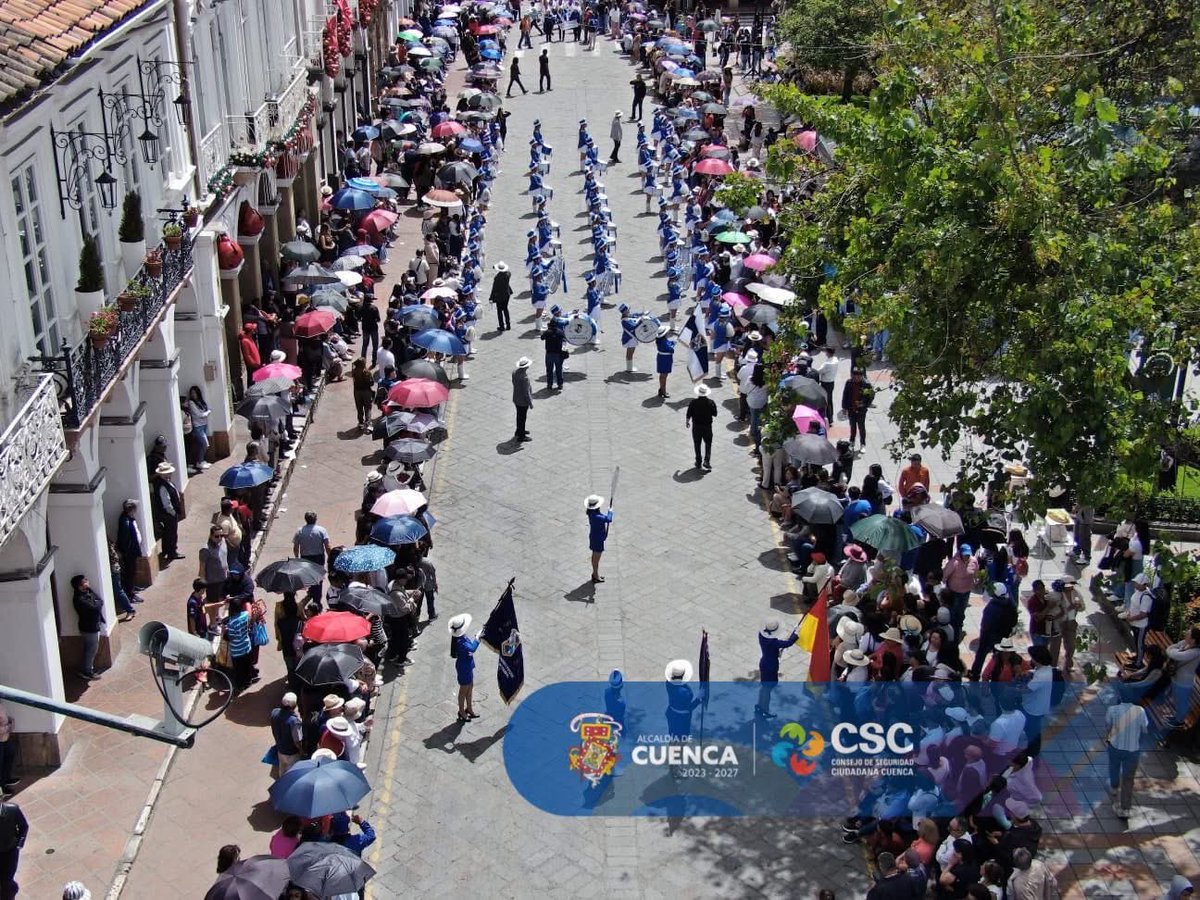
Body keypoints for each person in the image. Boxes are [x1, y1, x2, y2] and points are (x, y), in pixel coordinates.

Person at [1105, 684, 1149, 818]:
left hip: (1115, 746)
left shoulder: (1112, 710)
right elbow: (1145, 729)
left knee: (1114, 766)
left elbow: (1108, 727)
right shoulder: (1140, 711)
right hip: (1133, 750)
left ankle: (1113, 787)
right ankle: (1125, 808)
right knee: (1129, 779)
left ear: (1120, 696)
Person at [756, 620, 798, 719]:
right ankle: (765, 709)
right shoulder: (773, 642)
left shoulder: (762, 636)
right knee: (768, 689)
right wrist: (795, 634)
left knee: (764, 687)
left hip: (764, 663)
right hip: (771, 667)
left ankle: (759, 705)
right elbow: (788, 643)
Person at [71, 574, 105, 681]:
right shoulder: (80, 599)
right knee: (91, 650)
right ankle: (87, 671)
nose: (87, 581)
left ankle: (87, 668)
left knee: (90, 649)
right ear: (80, 586)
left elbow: (100, 601)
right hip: (89, 628)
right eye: (84, 581)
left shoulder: (88, 592)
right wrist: (97, 603)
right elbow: (95, 608)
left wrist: (97, 602)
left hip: (93, 626)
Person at [1166, 627, 1200, 727]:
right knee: (1176, 699)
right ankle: (1176, 716)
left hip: (1184, 682)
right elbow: (1173, 648)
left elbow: (1175, 654)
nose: (1185, 633)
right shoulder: (1185, 643)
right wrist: (1172, 650)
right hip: (1177, 677)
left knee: (1182, 702)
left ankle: (1179, 721)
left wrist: (1170, 650)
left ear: (1193, 639)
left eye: (1188, 634)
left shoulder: (1196, 652)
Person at [151, 462, 184, 563]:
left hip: (168, 514)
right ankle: (172, 552)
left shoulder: (166, 482)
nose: (169, 475)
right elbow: (167, 503)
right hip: (168, 515)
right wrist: (173, 512)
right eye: (166, 474)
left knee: (167, 533)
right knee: (171, 534)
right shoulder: (162, 486)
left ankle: (166, 550)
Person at [449, 614, 479, 721]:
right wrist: (478, 639)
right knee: (464, 690)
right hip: (464, 668)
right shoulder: (460, 642)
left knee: (470, 687)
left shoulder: (461, 637)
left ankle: (469, 708)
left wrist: (476, 638)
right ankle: (461, 711)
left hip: (467, 665)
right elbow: (472, 648)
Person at [115, 499, 145, 597]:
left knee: (133, 571)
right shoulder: (125, 522)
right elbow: (125, 539)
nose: (136, 510)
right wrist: (128, 551)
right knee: (130, 572)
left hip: (133, 551)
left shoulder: (129, 518)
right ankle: (130, 593)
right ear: (130, 509)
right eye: (134, 508)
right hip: (129, 553)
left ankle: (132, 587)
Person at [0, 798, 28, 900]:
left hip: (10, 851)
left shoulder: (13, 810)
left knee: (7, 878)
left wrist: (19, 845)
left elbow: (24, 827)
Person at [271, 693, 304, 777]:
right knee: (292, 774)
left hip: (280, 749)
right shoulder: (294, 721)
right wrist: (301, 751)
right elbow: (297, 740)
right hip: (292, 753)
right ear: (294, 705)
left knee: (282, 769)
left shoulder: (274, 712)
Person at [686, 383, 718, 470]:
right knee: (708, 443)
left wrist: (687, 422)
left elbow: (689, 413)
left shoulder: (693, 402)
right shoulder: (711, 403)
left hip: (696, 426)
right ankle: (707, 461)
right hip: (707, 426)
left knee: (697, 443)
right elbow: (715, 414)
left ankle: (698, 461)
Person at [840, 368, 873, 450]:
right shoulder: (849, 382)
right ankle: (852, 441)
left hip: (861, 410)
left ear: (862, 376)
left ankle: (863, 444)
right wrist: (844, 407)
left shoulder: (867, 384)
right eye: (855, 376)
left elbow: (870, 397)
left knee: (861, 427)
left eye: (859, 376)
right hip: (851, 408)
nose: (857, 378)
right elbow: (845, 395)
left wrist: (863, 404)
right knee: (852, 426)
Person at [199, 525, 230, 603]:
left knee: (221, 601)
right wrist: (203, 582)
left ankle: (217, 615)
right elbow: (202, 567)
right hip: (213, 582)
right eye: (216, 536)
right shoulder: (205, 549)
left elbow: (224, 558)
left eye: (221, 535)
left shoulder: (223, 542)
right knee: (213, 604)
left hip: (223, 578)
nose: (219, 538)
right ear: (211, 536)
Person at [586, 494, 612, 583]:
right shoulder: (597, 517)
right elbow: (609, 519)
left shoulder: (591, 514)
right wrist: (610, 511)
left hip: (594, 537)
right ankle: (596, 576)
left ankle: (595, 573)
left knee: (594, 556)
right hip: (598, 539)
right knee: (596, 559)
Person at [186, 386, 211, 473]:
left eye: (194, 393)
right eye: (191, 393)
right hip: (197, 427)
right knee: (204, 444)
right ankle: (198, 462)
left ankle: (200, 461)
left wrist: (205, 413)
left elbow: (204, 411)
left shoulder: (200, 402)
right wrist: (207, 412)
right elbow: (200, 415)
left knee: (200, 445)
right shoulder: (191, 403)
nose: (193, 395)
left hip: (204, 425)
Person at [541, 316, 566, 391]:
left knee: (549, 370)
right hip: (558, 354)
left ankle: (549, 384)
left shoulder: (547, 332)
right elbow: (564, 338)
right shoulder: (560, 332)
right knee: (559, 370)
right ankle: (560, 384)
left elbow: (542, 338)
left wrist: (546, 330)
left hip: (549, 354)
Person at [512, 356, 533, 442]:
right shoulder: (525, 378)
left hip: (516, 397)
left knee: (519, 416)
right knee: (523, 418)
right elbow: (526, 392)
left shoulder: (514, 372)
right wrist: (530, 403)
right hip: (523, 401)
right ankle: (521, 436)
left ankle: (519, 430)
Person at [491, 262, 513, 331]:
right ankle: (508, 325)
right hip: (507, 294)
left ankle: (502, 326)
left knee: (499, 311)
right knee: (505, 309)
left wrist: (491, 297)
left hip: (499, 296)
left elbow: (494, 289)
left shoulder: (497, 278)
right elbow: (508, 272)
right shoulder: (508, 275)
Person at [654, 324, 675, 399]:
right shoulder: (664, 342)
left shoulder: (660, 340)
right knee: (664, 376)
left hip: (661, 358)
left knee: (662, 375)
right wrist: (673, 344)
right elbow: (671, 349)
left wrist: (672, 343)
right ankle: (663, 391)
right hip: (665, 359)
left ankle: (661, 389)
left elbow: (669, 344)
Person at [360, 296, 381, 365]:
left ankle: (362, 361)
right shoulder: (374, 308)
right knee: (375, 345)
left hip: (365, 328)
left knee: (365, 345)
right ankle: (374, 361)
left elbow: (358, 317)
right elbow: (378, 319)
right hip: (373, 328)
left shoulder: (361, 308)